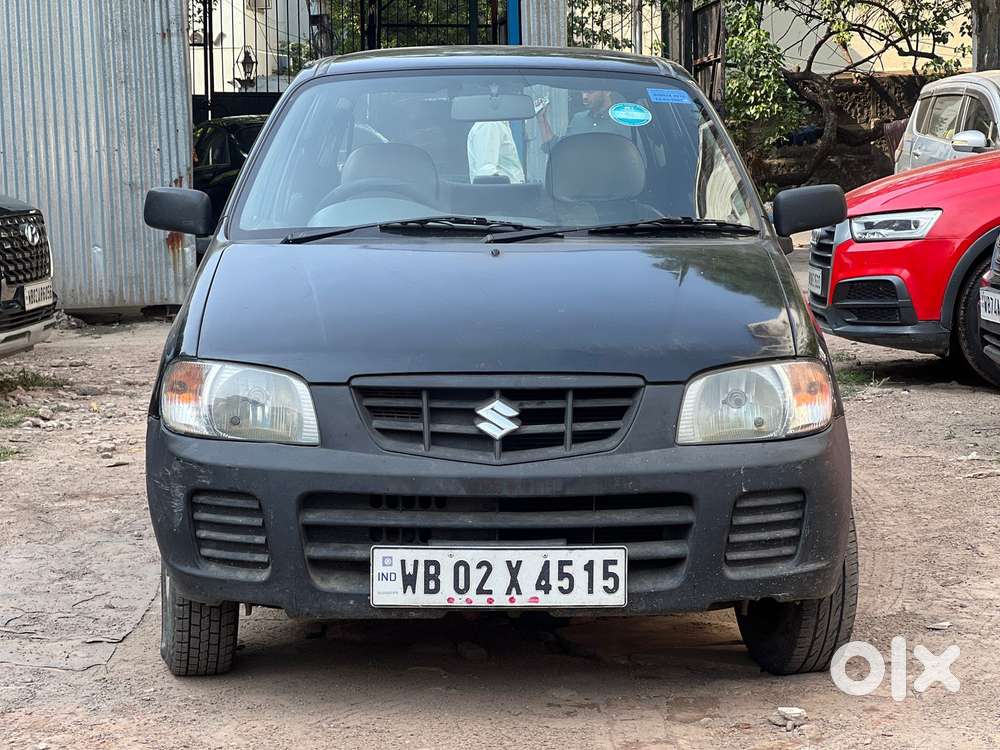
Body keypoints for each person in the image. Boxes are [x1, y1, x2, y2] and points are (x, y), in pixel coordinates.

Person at [538, 89, 630, 151]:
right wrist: (542, 119)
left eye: (590, 92)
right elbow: (555, 147)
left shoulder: (624, 121)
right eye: (583, 92)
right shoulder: (578, 119)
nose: (584, 97)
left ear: (607, 91)